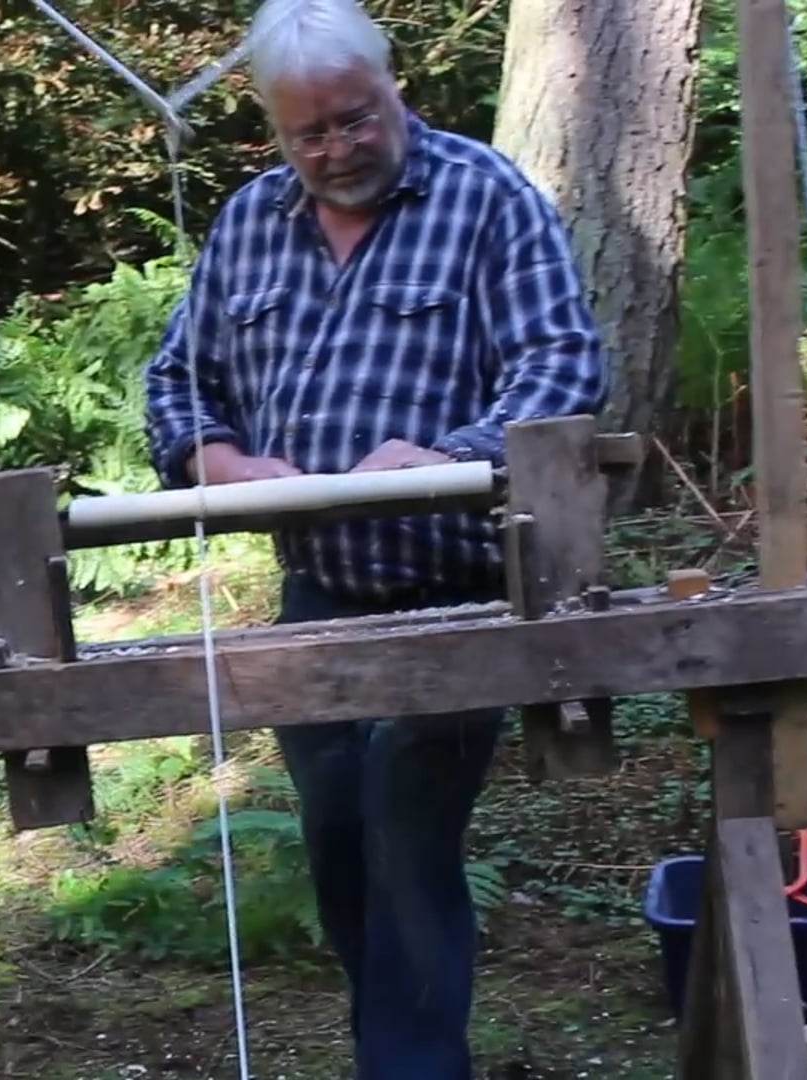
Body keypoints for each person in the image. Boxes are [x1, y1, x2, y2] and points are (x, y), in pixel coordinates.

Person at [140, 0, 609, 1075]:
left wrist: (449, 455)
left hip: (460, 587)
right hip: (319, 592)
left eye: (356, 119)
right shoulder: (252, 219)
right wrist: (217, 460)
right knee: (341, 833)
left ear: (394, 90)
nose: (339, 149)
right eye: (311, 133)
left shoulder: (485, 196)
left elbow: (561, 365)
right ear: (275, 130)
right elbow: (178, 378)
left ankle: (409, 1066)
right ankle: (393, 1050)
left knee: (408, 822)